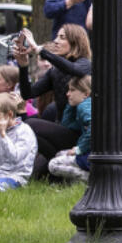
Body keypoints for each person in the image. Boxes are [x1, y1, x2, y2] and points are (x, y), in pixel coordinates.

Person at [14, 23, 92, 179]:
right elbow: (28, 93)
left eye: (62, 37)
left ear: (76, 43)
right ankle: (61, 169)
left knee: (30, 124)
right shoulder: (54, 71)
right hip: (63, 129)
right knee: (36, 175)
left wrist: (40, 50)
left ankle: (72, 168)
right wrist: (23, 66)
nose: (56, 41)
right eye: (56, 36)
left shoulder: (85, 64)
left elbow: (74, 70)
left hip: (84, 136)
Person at [48, 76, 94, 181]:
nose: (67, 94)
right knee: (60, 154)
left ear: (86, 94)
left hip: (90, 156)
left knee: (53, 165)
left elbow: (94, 129)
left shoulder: (85, 106)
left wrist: (79, 149)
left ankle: (91, 178)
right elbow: (67, 125)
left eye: (72, 90)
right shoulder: (82, 106)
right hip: (89, 153)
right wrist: (70, 105)